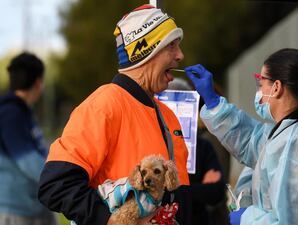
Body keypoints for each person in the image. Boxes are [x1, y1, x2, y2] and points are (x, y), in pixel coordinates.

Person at [38, 4, 190, 225]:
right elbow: (55, 185)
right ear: (145, 50)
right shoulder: (103, 105)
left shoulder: (167, 114)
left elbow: (179, 193)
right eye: (172, 46)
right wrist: (113, 220)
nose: (180, 56)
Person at [184, 48, 298, 225]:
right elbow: (251, 140)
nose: (258, 91)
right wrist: (213, 102)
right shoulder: (296, 133)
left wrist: (247, 218)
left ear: (276, 88)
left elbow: (295, 221)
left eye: (261, 84)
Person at [0, 52, 58, 225]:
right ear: (38, 83)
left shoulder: (21, 111)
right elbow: (29, 161)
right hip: (18, 211)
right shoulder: (11, 114)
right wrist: (60, 180)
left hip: (35, 206)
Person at [168, 78, 229, 225]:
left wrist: (175, 190)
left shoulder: (203, 146)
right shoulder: (151, 144)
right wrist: (196, 189)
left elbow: (217, 191)